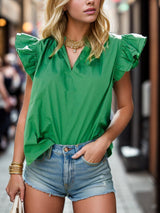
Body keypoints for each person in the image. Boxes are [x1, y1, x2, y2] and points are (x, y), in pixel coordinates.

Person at [6, 0, 147, 212]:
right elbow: (26, 114)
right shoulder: (40, 51)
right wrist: (15, 171)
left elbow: (125, 107)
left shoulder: (115, 49)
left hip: (92, 168)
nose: (91, 1)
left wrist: (104, 141)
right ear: (63, 4)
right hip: (44, 166)